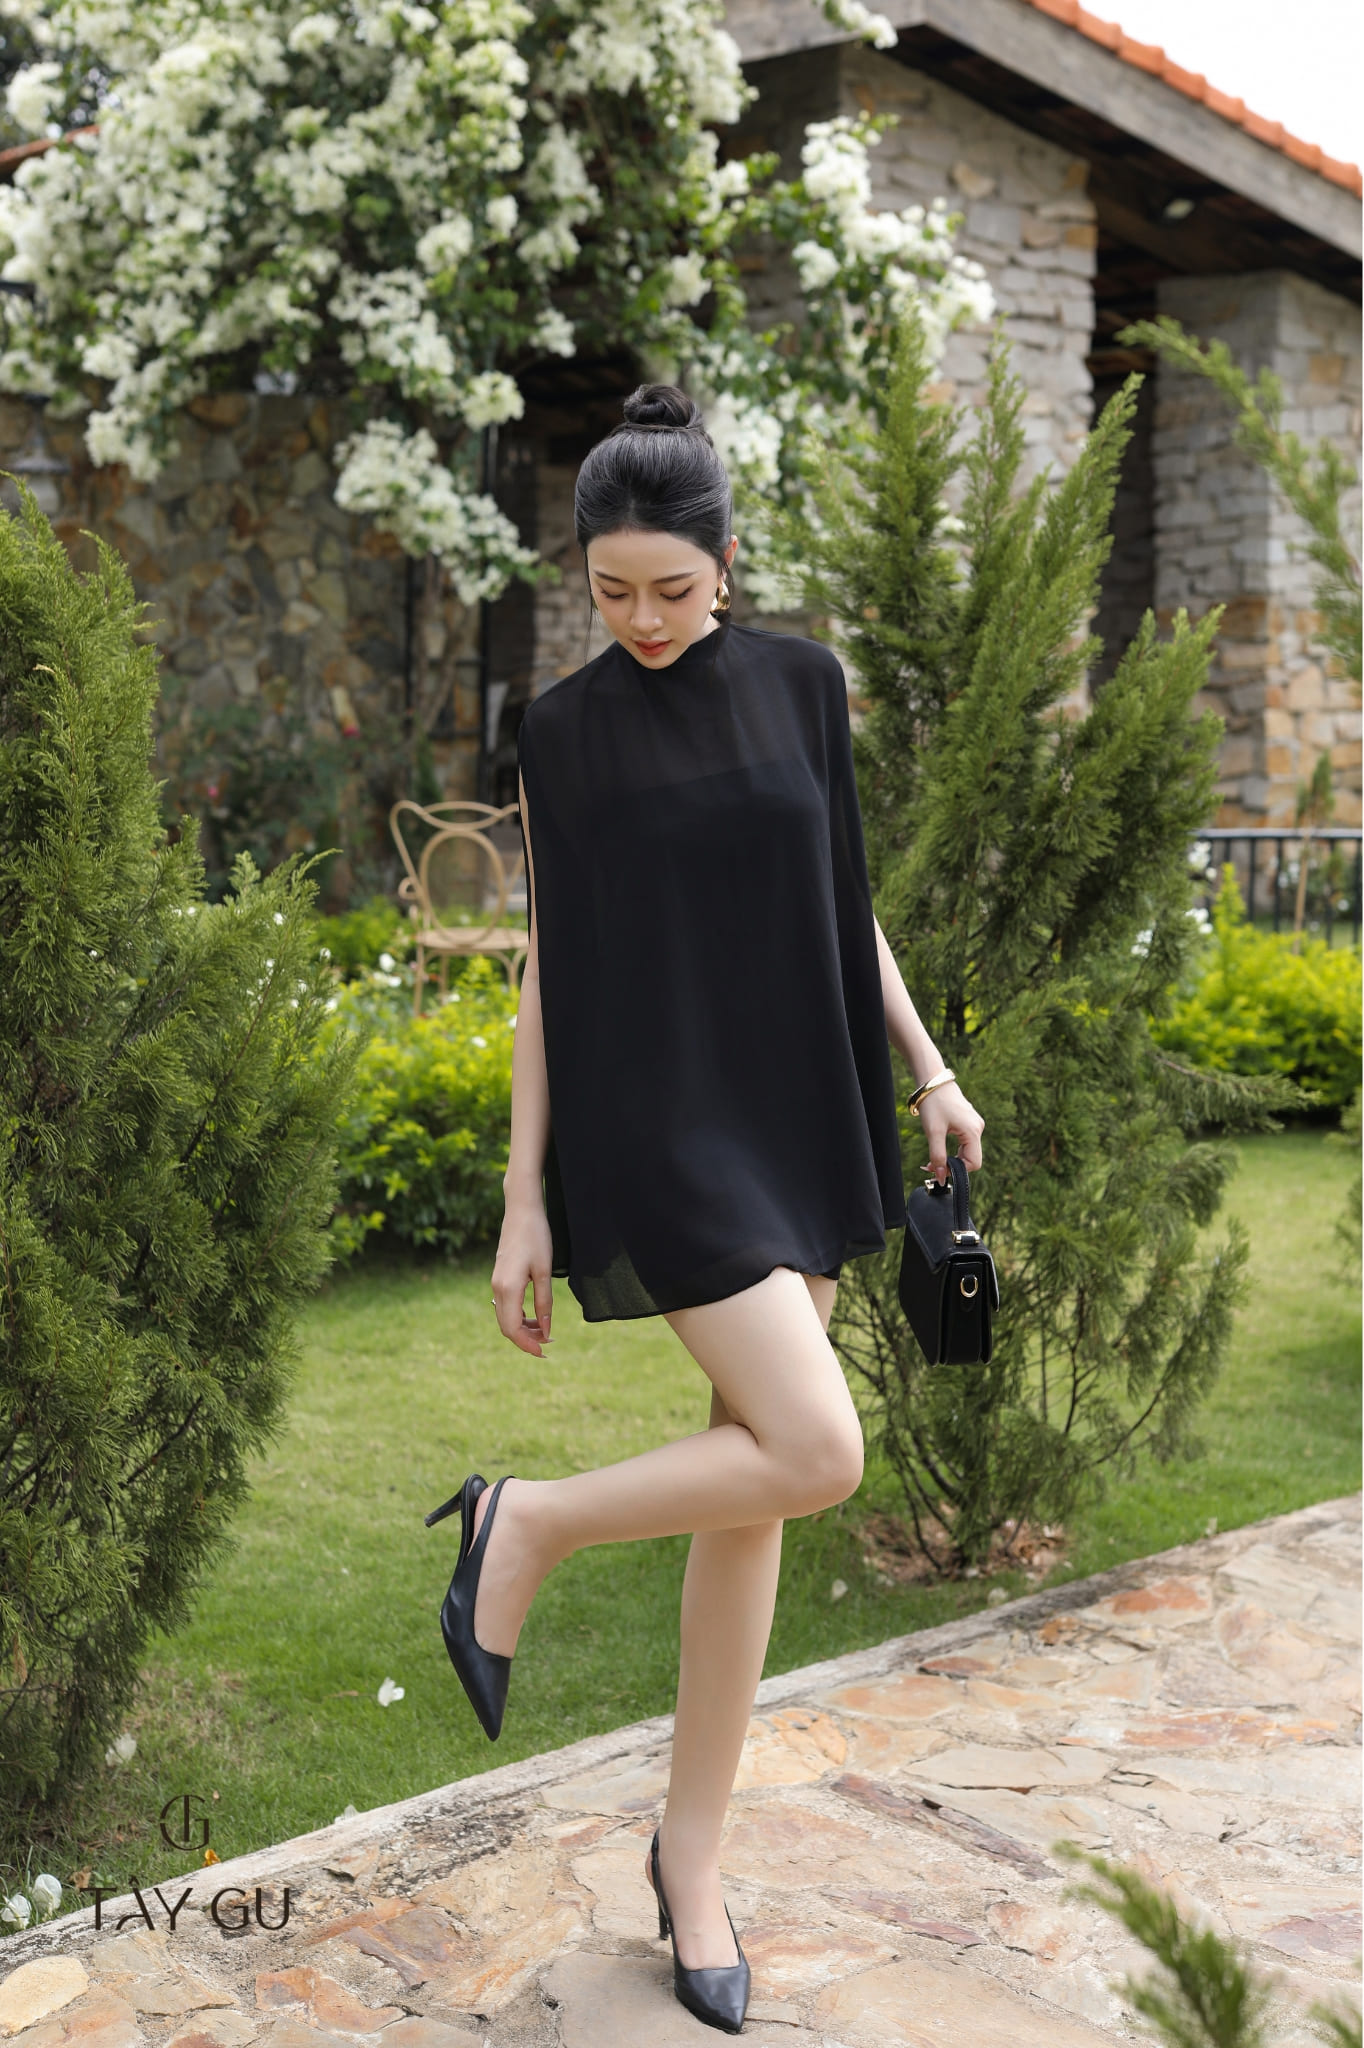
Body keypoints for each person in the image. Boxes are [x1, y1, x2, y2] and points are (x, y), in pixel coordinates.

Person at [424, 384, 985, 2035]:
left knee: (756, 1497)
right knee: (818, 1448)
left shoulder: (805, 687)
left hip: (799, 1100)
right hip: (661, 1125)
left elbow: (844, 904)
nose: (643, 620)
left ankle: (693, 1863)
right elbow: (549, 966)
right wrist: (523, 1195)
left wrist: (932, 1071)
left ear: (728, 565)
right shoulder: (566, 733)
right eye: (610, 592)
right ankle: (520, 1523)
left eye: (671, 589)